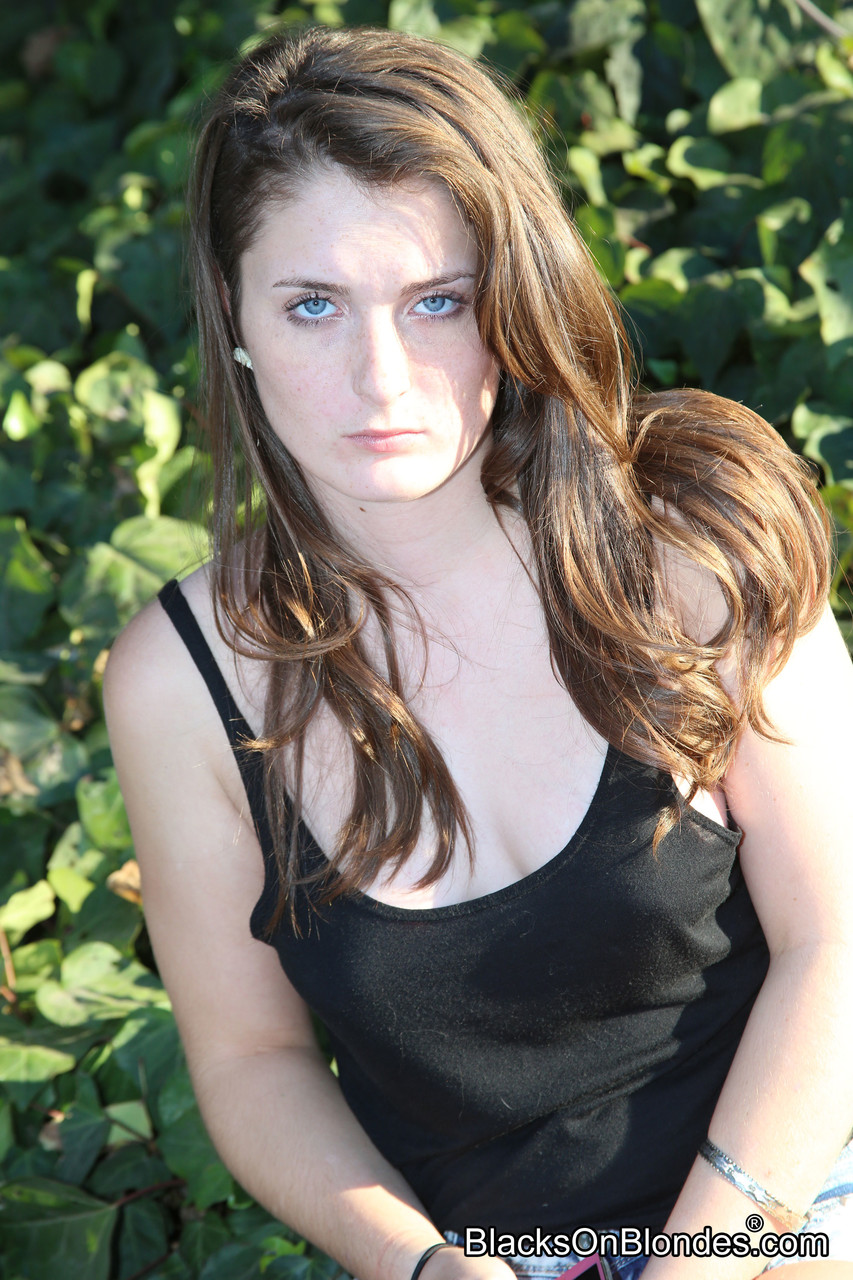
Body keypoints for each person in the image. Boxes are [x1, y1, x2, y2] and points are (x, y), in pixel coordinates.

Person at [103, 24, 853, 1280]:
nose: (380, 377)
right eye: (312, 305)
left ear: (511, 296)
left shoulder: (694, 550)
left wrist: (705, 1258)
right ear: (232, 313)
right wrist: (421, 1264)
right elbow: (250, 1060)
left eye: (435, 301)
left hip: (796, 1194)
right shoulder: (184, 682)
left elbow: (840, 944)